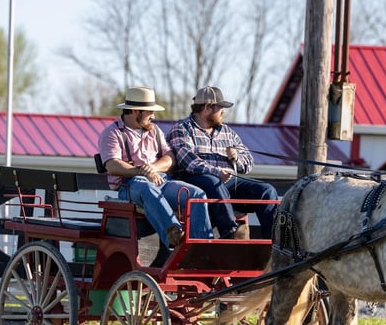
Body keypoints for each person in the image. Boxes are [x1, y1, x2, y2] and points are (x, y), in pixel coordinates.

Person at [98, 86, 214, 249]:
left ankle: (202, 248)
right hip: (130, 185)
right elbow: (112, 165)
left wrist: (152, 168)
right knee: (146, 187)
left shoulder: (154, 131)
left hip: (161, 180)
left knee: (196, 194)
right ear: (136, 111)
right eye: (149, 111)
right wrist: (141, 171)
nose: (153, 115)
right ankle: (173, 233)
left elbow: (170, 157)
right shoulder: (112, 133)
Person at [167, 86, 278, 239]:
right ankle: (230, 233)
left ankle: (273, 242)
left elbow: (249, 162)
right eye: (220, 108)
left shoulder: (227, 132)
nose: (223, 112)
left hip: (229, 182)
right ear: (207, 108)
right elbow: (190, 163)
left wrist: (237, 157)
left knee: (267, 190)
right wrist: (217, 172)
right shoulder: (182, 129)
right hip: (194, 182)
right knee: (214, 182)